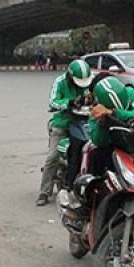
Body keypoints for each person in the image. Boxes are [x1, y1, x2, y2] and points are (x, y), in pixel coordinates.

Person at [37, 59, 94, 207]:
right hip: (63, 124)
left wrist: (89, 101)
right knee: (52, 158)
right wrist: (68, 103)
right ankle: (44, 192)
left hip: (84, 123)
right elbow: (53, 102)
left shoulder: (88, 80)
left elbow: (92, 96)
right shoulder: (60, 82)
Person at [85, 76, 134, 179]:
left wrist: (114, 113)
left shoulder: (130, 93)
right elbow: (99, 141)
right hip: (113, 146)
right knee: (96, 157)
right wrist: (102, 122)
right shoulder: (97, 109)